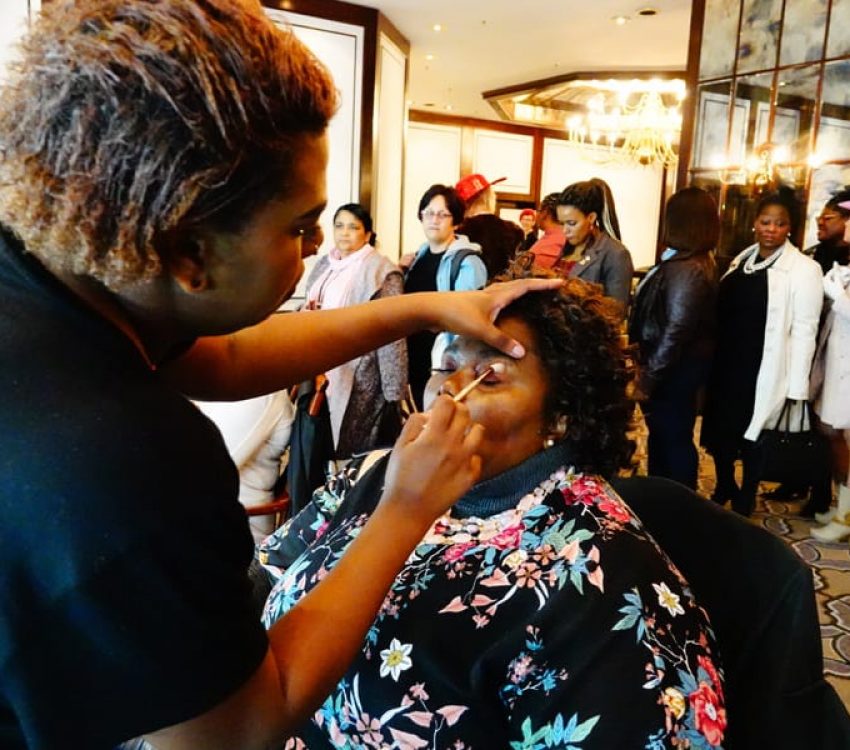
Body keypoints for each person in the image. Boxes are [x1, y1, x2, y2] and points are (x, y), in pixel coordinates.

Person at [0, 3, 559, 748]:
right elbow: (238, 729)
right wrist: (404, 510)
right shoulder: (134, 464)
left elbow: (225, 356)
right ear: (188, 251)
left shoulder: (56, 270)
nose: (310, 252)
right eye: (298, 229)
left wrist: (423, 309)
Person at [260, 263, 727, 749]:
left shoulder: (604, 584)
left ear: (563, 413)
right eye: (447, 363)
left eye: (488, 376)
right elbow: (264, 584)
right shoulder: (377, 472)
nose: (447, 386)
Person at [701, 190, 823, 517]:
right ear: (755, 223)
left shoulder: (804, 269)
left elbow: (804, 329)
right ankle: (725, 482)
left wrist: (797, 386)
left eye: (779, 224)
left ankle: (748, 493)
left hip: (764, 364)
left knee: (756, 433)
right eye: (765, 221)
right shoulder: (744, 258)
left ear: (790, 228)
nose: (771, 228)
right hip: (728, 361)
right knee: (722, 428)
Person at [629, 187, 719, 489]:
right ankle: (664, 498)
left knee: (673, 438)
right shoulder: (689, 261)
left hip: (674, 371)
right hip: (675, 368)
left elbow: (675, 330)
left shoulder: (689, 268)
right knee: (666, 436)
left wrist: (649, 378)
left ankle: (678, 506)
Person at [765, 188, 850, 505]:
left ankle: (836, 503)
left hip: (841, 358)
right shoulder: (818, 254)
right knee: (814, 425)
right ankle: (806, 485)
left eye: (828, 217)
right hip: (818, 350)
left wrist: (833, 291)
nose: (820, 222)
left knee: (834, 431)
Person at [303, 203, 407, 458]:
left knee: (350, 446)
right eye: (339, 226)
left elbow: (391, 330)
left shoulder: (380, 270)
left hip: (360, 371)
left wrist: (394, 391)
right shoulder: (325, 264)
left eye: (353, 227)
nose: (344, 233)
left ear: (367, 234)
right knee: (317, 436)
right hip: (319, 364)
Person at [402, 184, 488, 408]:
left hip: (442, 362)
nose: (434, 220)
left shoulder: (467, 263)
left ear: (456, 220)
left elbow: (468, 322)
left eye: (443, 214)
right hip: (413, 356)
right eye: (429, 213)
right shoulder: (419, 256)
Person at [808, 211, 850, 542]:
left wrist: (838, 296)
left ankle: (846, 517)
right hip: (837, 363)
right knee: (835, 436)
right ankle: (842, 510)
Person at [556, 178, 634, 314]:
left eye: (571, 223)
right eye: (562, 223)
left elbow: (615, 312)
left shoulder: (616, 254)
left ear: (591, 217)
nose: (565, 230)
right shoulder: (569, 248)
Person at [455, 172, 524, 278]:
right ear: (489, 196)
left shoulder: (458, 233)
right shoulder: (515, 230)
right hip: (506, 290)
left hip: (468, 291)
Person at [528, 192, 567, 269]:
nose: (536, 215)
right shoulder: (572, 237)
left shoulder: (544, 248)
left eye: (538, 210)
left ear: (545, 213)